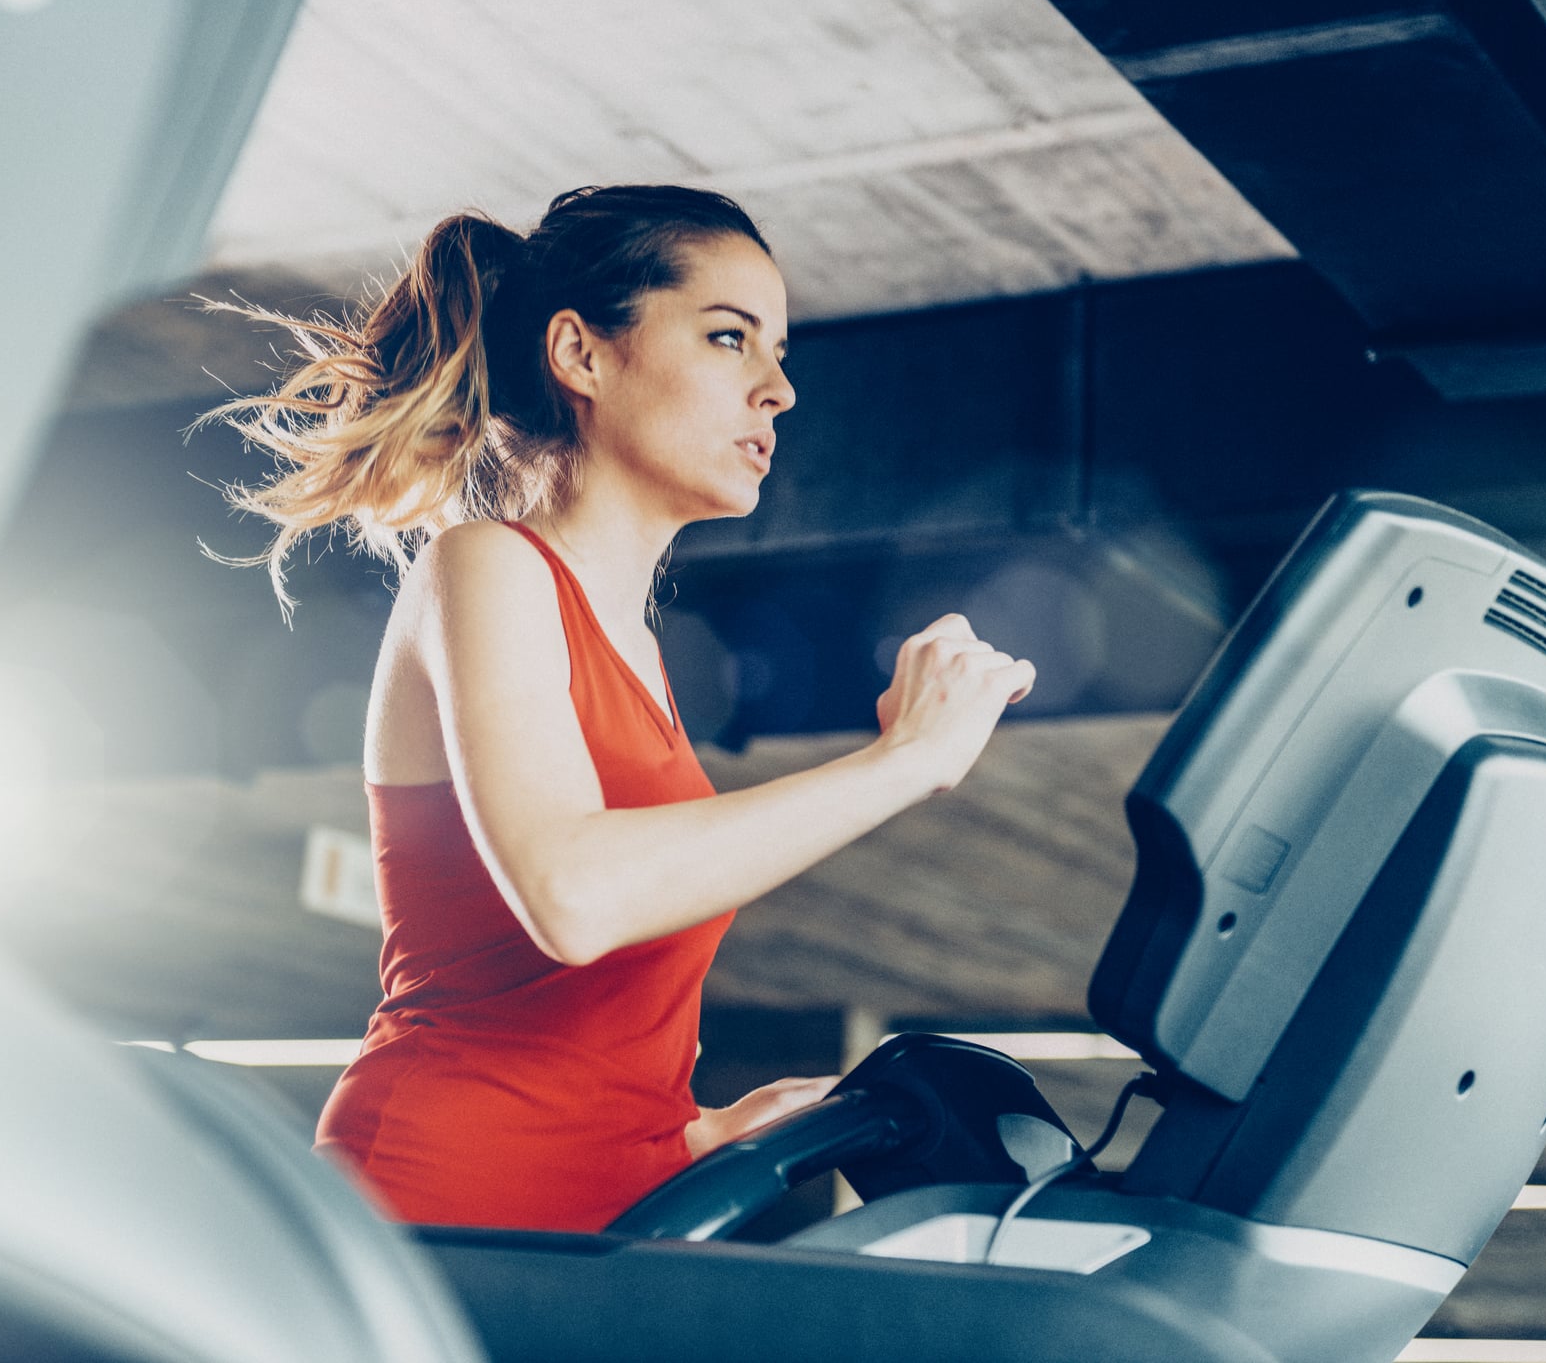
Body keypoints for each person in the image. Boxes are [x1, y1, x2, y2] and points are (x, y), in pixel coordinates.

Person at [203, 184, 1035, 1232]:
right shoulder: (486, 564)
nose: (776, 389)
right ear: (581, 354)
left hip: (614, 1196)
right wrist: (901, 759)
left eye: (779, 352)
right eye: (730, 338)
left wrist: (695, 1127)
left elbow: (588, 1023)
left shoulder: (632, 643)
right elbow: (572, 897)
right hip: (449, 1184)